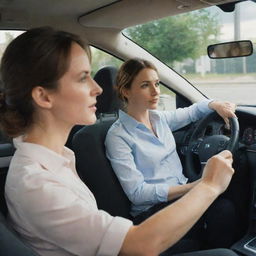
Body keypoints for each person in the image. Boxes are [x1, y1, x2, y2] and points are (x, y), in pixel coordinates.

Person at [0, 27, 238, 256]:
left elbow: (194, 110)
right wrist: (208, 185)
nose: (98, 89)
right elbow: (139, 245)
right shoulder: (37, 183)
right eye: (84, 78)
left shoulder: (57, 158)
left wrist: (215, 104)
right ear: (43, 96)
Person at [105, 58, 238, 250]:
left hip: (183, 195)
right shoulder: (118, 136)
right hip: (151, 211)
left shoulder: (160, 119)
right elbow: (138, 194)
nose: (155, 91)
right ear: (126, 91)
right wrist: (196, 186)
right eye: (145, 85)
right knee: (221, 210)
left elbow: (194, 111)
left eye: (157, 83)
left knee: (225, 208)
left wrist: (217, 104)